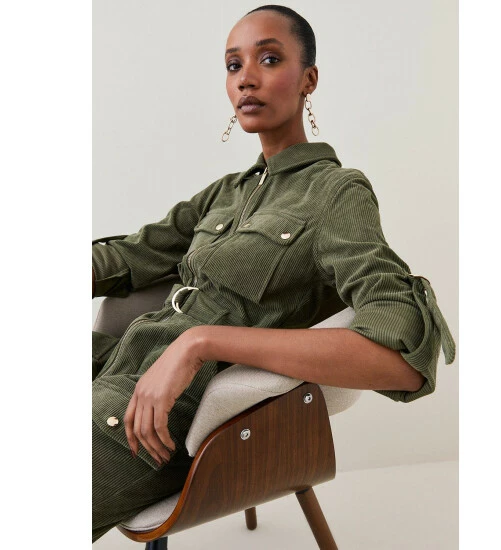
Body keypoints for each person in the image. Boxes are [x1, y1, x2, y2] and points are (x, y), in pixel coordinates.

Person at [92, 4, 456, 542]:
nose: (246, 79)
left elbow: (402, 354)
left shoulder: (335, 193)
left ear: (309, 79)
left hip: (170, 413)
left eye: (268, 59)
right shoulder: (226, 193)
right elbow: (130, 255)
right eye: (233, 65)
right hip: (117, 357)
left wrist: (200, 342)